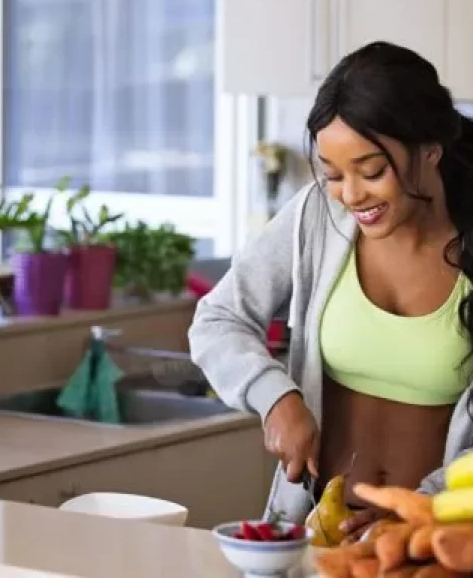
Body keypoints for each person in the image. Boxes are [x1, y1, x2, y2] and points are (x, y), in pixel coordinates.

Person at [188, 41, 473, 541]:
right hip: (316, 531)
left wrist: (419, 508)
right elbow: (218, 319)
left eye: (372, 171)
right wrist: (277, 398)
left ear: (430, 150)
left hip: (438, 540)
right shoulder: (318, 215)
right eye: (333, 173)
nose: (351, 195)